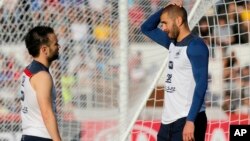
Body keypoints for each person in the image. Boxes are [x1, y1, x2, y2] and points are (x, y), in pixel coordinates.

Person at [141, 0, 209, 141]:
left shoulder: (196, 46)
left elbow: (201, 85)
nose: (163, 28)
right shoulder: (172, 43)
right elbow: (146, 28)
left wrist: (190, 121)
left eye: (165, 23)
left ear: (178, 20)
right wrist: (166, 8)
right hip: (168, 122)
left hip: (189, 119)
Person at [19, 26, 61, 141]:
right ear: (44, 50)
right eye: (55, 44)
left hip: (29, 135)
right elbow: (47, 113)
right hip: (40, 137)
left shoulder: (29, 70)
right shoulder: (42, 77)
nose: (58, 47)